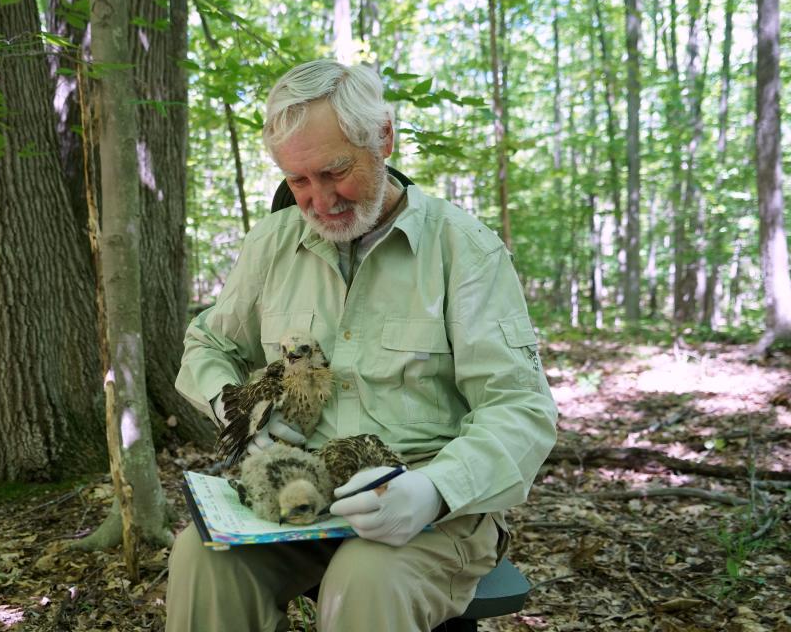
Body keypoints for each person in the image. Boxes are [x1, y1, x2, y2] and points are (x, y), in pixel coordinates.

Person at [166, 59, 558, 632]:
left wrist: (433, 490)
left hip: (430, 505)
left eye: (335, 171)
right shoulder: (272, 244)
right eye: (298, 181)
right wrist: (237, 406)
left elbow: (521, 408)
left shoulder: (464, 250)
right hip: (298, 491)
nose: (319, 200)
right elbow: (208, 343)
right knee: (201, 558)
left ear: (384, 139)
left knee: (365, 578)